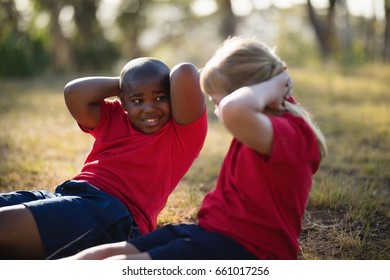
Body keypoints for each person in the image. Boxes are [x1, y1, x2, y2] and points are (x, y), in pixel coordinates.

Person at [65, 36, 328, 260]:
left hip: (247, 251)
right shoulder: (271, 120)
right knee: (96, 257)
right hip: (210, 231)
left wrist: (271, 83)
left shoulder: (292, 134)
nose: (215, 108)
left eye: (217, 100)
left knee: (118, 265)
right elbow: (194, 80)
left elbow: (233, 110)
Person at [0, 58, 207, 259]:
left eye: (160, 97)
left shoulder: (181, 136)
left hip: (112, 214)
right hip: (66, 194)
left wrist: (137, 84)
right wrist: (126, 82)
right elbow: (74, 93)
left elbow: (185, 72)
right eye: (138, 100)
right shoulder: (115, 116)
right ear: (123, 101)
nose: (149, 108)